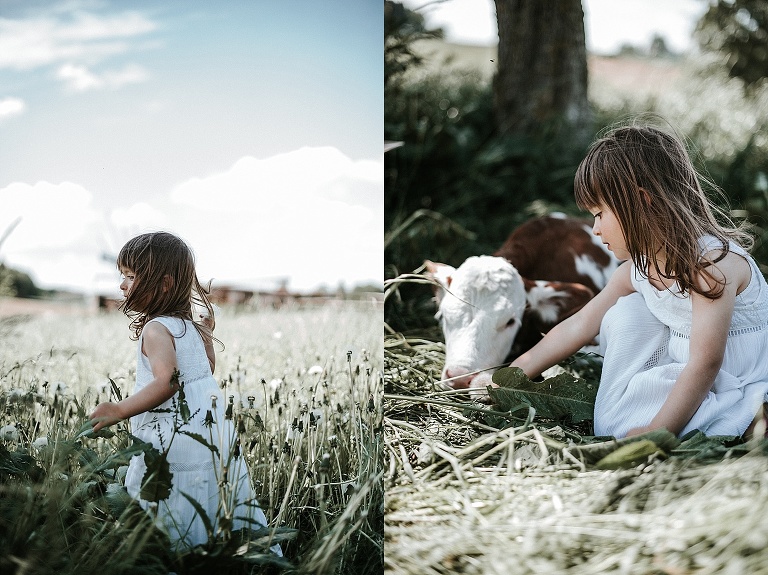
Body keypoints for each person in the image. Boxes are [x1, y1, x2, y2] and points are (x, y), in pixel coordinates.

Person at [509, 118, 768, 439]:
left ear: (642, 203)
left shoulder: (710, 266)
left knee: (699, 420)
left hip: (737, 382)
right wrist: (507, 377)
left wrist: (656, 432)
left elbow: (706, 363)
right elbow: (577, 327)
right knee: (623, 314)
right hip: (688, 374)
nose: (595, 229)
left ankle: (747, 424)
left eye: (600, 213)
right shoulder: (640, 270)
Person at [89, 232, 280, 554]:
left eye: (131, 276)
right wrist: (206, 335)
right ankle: (214, 553)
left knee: (162, 493)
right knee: (205, 493)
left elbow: (169, 381)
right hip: (208, 432)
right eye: (122, 276)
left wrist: (120, 410)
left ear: (163, 283)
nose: (122, 284)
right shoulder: (188, 326)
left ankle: (171, 556)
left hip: (171, 435)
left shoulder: (156, 328)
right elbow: (205, 370)